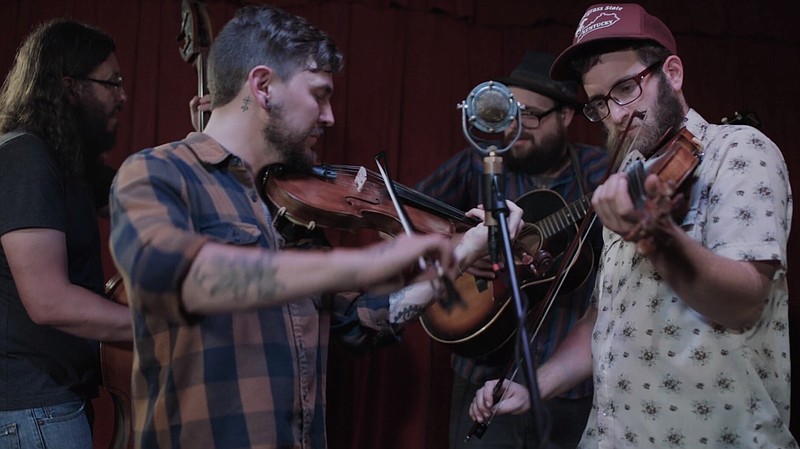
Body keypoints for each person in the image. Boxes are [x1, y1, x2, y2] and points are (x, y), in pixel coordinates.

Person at [109, 5, 522, 449]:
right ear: (263, 87)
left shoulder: (291, 208)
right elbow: (177, 277)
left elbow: (365, 322)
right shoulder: (157, 173)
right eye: (319, 94)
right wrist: (365, 262)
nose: (329, 117)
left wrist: (462, 253)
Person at [470, 4, 795, 448]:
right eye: (599, 103)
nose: (616, 115)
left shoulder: (738, 151)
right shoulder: (627, 177)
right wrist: (533, 384)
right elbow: (604, 318)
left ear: (673, 73)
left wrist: (654, 237)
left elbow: (744, 304)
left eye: (625, 88)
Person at [416, 51, 609, 448]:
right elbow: (402, 221)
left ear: (567, 116)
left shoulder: (600, 171)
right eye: (512, 113)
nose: (518, 127)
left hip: (568, 380)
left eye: (532, 116)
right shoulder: (481, 164)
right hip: (483, 373)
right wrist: (461, 250)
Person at [0, 19, 133, 448]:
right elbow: (48, 301)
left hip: (48, 406)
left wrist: (208, 140)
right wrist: (161, 328)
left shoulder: (66, 162)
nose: (122, 97)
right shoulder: (27, 158)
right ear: (70, 86)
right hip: (32, 410)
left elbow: (152, 207)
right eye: (111, 83)